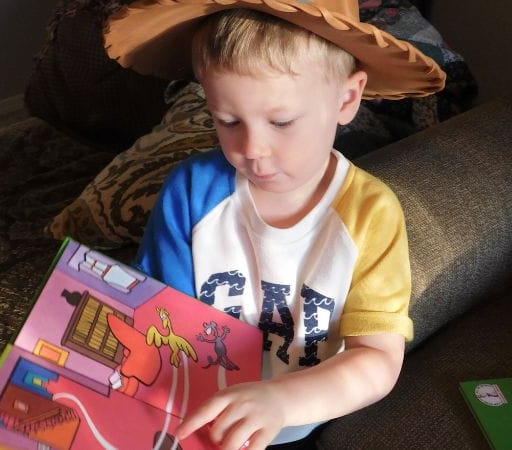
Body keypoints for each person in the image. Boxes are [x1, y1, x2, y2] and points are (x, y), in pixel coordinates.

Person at [104, 1, 446, 449]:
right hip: (189, 413)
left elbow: (378, 359)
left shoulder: (371, 214)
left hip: (300, 417)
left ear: (347, 98)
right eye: (227, 121)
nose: (253, 149)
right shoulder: (191, 191)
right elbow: (159, 318)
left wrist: (280, 403)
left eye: (281, 121)